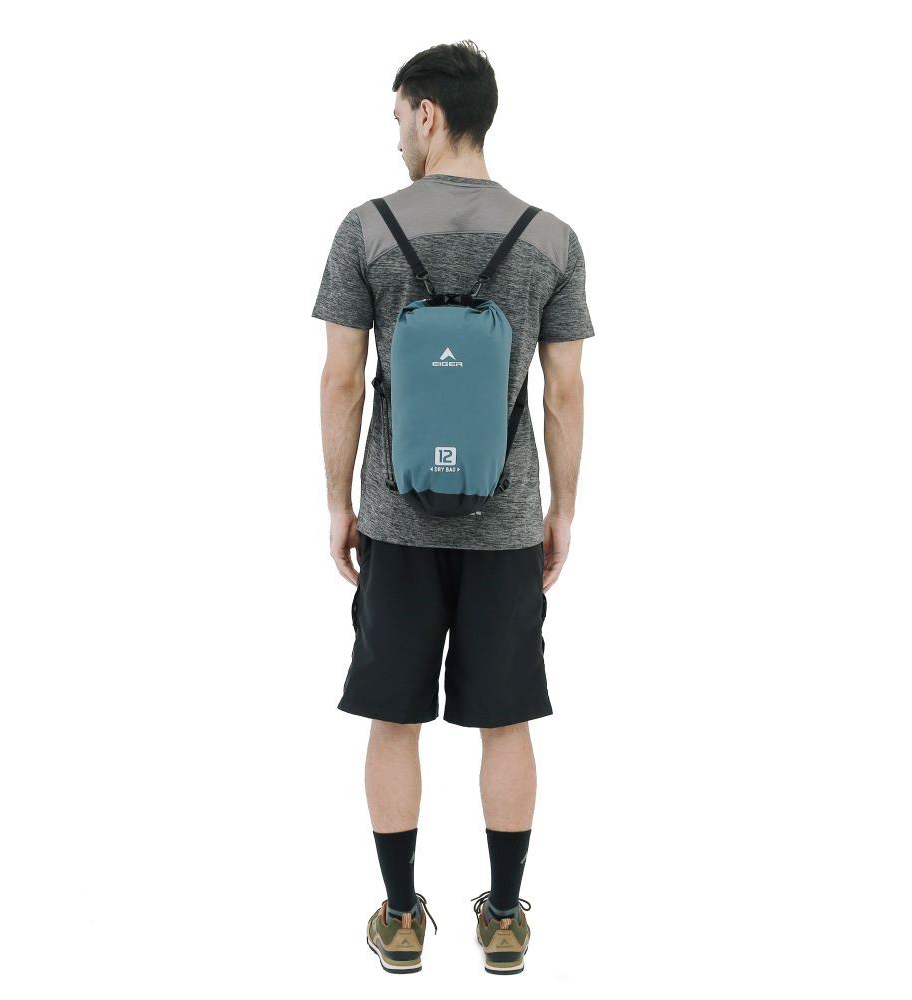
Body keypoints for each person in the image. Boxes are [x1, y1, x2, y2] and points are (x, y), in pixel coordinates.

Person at [314, 40, 593, 976]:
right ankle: (505, 919)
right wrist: (560, 510)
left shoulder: (366, 229)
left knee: (394, 719)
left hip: (394, 522)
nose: (397, 134)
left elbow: (341, 379)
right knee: (505, 720)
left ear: (428, 113)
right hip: (507, 525)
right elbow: (564, 391)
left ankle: (400, 918)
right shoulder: (552, 238)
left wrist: (338, 502)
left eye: (399, 117)